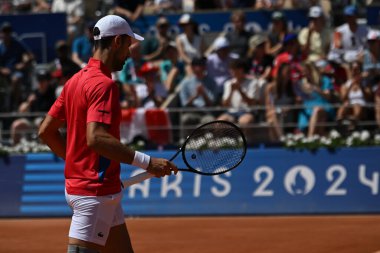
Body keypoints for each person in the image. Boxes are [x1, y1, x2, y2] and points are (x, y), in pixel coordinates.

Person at [38, 15, 178, 253]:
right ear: (117, 42)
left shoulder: (74, 81)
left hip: (94, 191)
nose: (129, 53)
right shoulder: (104, 85)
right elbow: (96, 137)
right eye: (128, 46)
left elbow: (45, 131)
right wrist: (148, 162)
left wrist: (78, 164)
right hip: (94, 195)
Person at [10, 69, 56, 145]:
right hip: (31, 121)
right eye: (39, 80)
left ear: (47, 81)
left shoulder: (52, 94)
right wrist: (29, 102)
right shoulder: (33, 92)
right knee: (16, 125)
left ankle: (42, 147)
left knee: (41, 123)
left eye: (43, 80)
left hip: (45, 121)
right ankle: (15, 149)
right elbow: (21, 110)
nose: (41, 82)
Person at [178, 56, 218, 138]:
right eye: (199, 65)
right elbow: (184, 104)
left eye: (203, 65)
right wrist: (195, 95)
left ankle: (208, 143)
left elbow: (211, 104)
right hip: (192, 112)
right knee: (185, 119)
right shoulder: (185, 83)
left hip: (206, 113)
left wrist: (203, 94)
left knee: (210, 121)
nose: (202, 67)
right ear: (192, 67)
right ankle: (184, 141)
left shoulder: (212, 82)